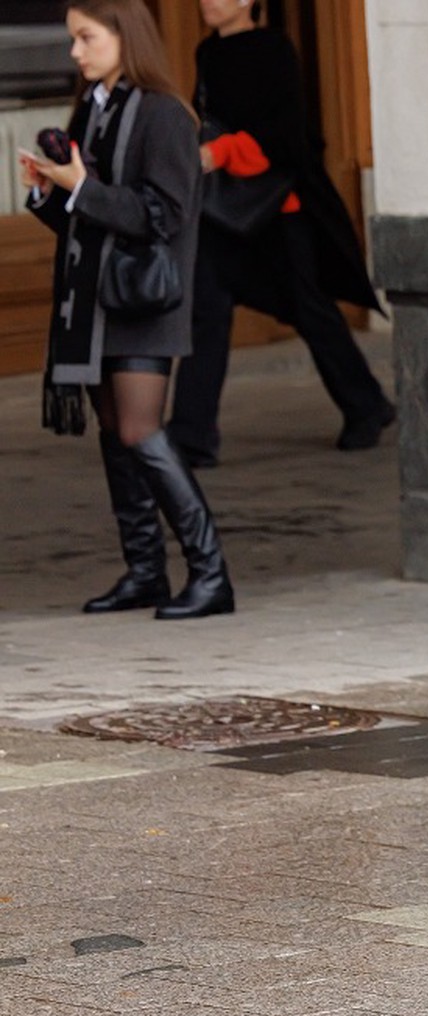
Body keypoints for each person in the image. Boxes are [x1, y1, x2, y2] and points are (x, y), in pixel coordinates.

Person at [20, 0, 234, 619]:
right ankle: (145, 572)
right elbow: (87, 215)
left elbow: (163, 214)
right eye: (73, 39)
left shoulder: (165, 113)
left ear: (124, 36)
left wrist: (83, 188)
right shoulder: (93, 107)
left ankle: (211, 574)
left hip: (146, 297)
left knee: (140, 430)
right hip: (95, 299)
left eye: (86, 38)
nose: (75, 52)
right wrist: (51, 192)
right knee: (116, 434)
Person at [163, 0, 392, 466]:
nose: (208, 1)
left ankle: (366, 405)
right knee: (207, 312)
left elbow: (285, 132)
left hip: (277, 210)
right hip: (224, 210)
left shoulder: (274, 50)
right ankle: (190, 437)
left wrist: (222, 152)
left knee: (311, 310)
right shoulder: (208, 53)